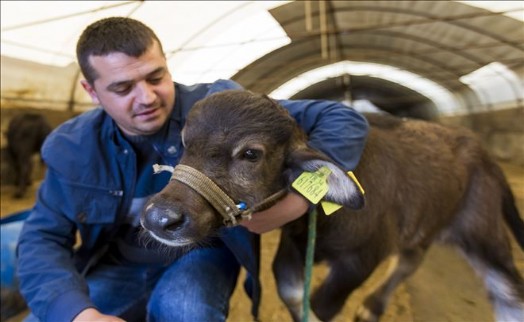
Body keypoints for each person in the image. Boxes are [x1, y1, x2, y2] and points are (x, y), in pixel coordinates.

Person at [16, 17, 368, 322]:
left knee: (187, 309)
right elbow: (42, 238)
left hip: (204, 249)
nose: (147, 98)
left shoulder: (220, 108)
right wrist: (79, 313)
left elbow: (342, 118)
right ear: (91, 91)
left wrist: (301, 199)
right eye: (123, 88)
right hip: (122, 261)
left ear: (168, 65)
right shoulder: (72, 148)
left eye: (156, 77)